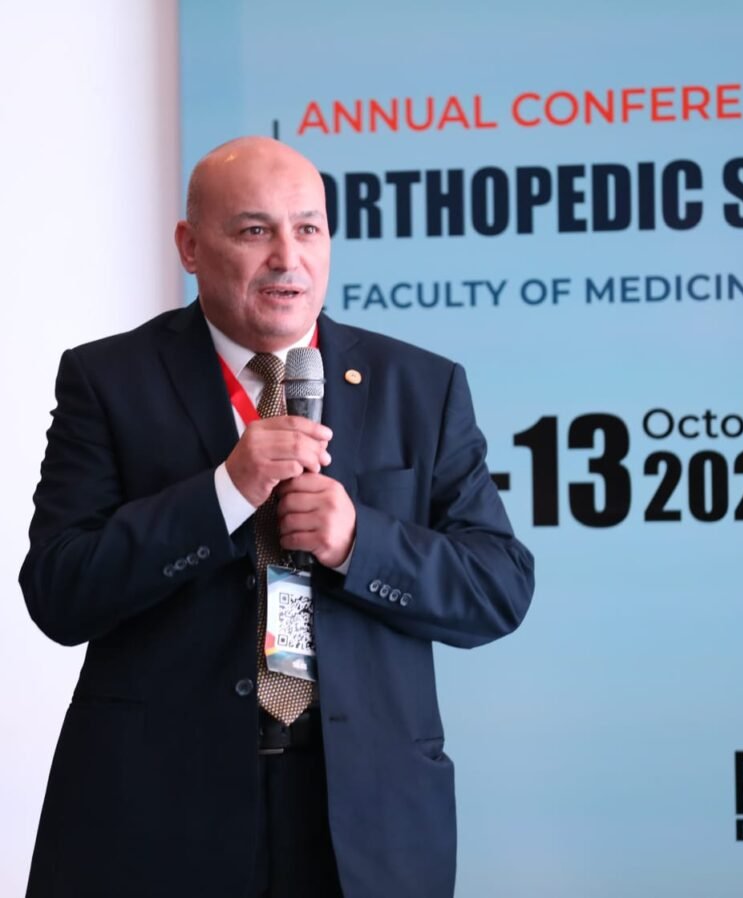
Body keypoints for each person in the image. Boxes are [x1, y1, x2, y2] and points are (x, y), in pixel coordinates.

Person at [20, 136, 534, 898]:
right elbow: (60, 591)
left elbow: (497, 587)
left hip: (366, 815)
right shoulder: (108, 380)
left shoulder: (421, 387)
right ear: (191, 246)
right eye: (255, 230)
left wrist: (358, 543)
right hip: (158, 812)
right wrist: (223, 494)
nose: (287, 258)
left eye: (308, 228)